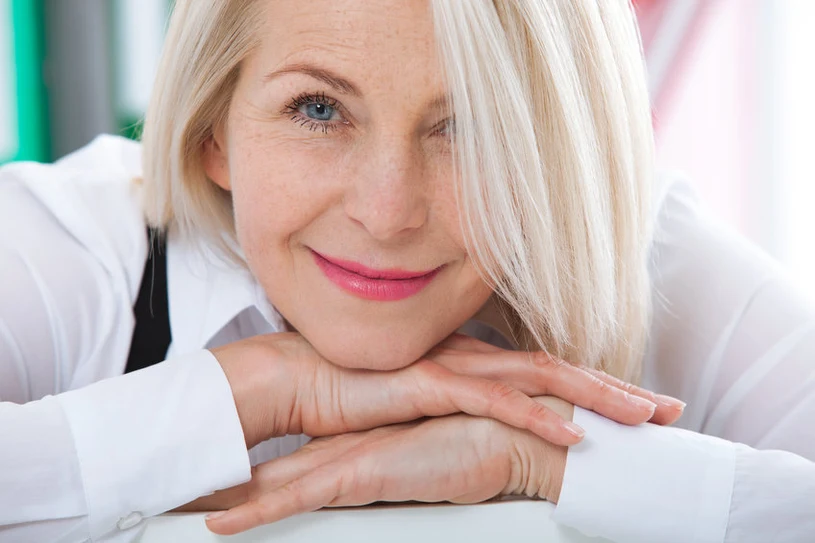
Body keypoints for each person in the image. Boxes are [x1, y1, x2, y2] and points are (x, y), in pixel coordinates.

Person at [0, 0, 813, 542]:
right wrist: (262, 391)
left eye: (471, 124)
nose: (387, 212)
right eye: (318, 109)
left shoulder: (654, 260)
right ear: (215, 130)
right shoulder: (76, 244)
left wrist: (547, 457)